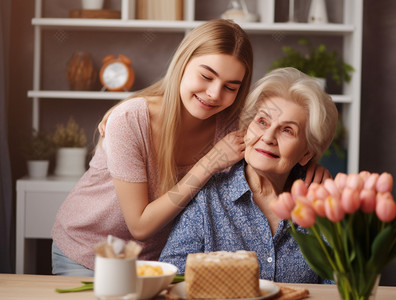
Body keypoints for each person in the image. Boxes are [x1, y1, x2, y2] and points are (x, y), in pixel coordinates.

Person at [51, 20, 329, 277]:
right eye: (206, 76)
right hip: (90, 252)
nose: (214, 94)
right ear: (183, 63)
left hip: (154, 261)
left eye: (230, 87)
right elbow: (140, 225)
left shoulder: (231, 122)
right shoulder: (130, 120)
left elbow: (278, 133)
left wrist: (308, 167)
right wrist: (210, 163)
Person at [159, 67, 338, 283]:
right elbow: (171, 277)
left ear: (306, 153)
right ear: (247, 127)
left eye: (287, 130)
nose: (268, 137)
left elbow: (339, 288)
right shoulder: (208, 197)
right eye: (262, 122)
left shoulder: (322, 205)